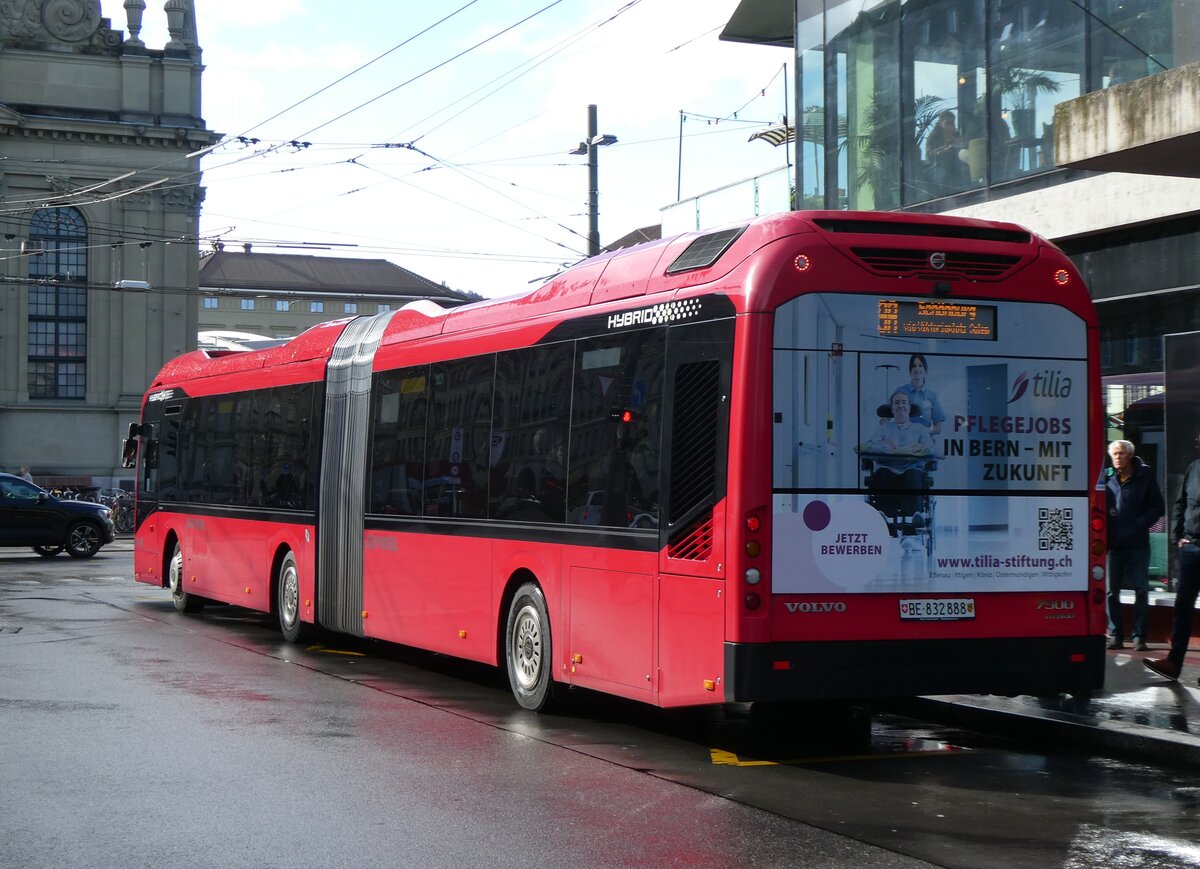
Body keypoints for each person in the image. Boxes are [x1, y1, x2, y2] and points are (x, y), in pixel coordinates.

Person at [1145, 431, 1200, 683]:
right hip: (1191, 547)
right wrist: (1177, 536)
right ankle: (1174, 662)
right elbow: (1180, 504)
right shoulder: (1194, 468)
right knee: (1182, 607)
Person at [1101, 439, 1164, 650]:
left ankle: (1139, 636)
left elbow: (1158, 507)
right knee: (1111, 591)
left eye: (1121, 454)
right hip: (1113, 545)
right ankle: (1116, 634)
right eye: (1114, 454)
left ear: (1130, 455)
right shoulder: (1107, 477)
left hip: (1138, 544)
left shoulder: (1144, 476)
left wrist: (1140, 524)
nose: (1117, 458)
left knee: (1141, 589)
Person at [862, 390, 935, 524]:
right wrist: (885, 443)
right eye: (896, 403)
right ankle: (884, 514)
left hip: (911, 467)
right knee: (883, 473)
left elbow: (930, 447)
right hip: (887, 467)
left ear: (909, 408)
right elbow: (870, 445)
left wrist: (920, 448)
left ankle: (914, 516)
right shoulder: (884, 429)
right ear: (892, 409)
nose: (900, 406)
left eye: (903, 402)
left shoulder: (920, 429)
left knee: (912, 473)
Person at [895, 353, 945, 435]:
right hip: (903, 442)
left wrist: (923, 433)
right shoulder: (900, 391)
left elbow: (938, 428)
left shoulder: (933, 396)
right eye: (914, 366)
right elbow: (885, 418)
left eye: (920, 365)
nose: (917, 369)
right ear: (910, 371)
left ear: (925, 371)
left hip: (925, 442)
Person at [926, 110, 966, 189]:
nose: (951, 125)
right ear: (941, 123)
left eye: (952, 123)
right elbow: (929, 155)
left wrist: (958, 142)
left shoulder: (956, 134)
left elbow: (965, 146)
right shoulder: (934, 136)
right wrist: (943, 148)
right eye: (947, 123)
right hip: (939, 168)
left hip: (956, 167)